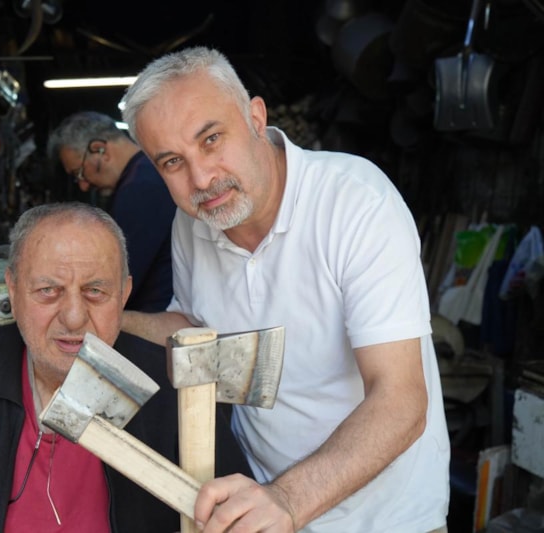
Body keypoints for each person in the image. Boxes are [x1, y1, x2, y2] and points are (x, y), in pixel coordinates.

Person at [119, 46, 450, 533]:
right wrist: (108, 322)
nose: (201, 178)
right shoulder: (193, 223)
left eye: (211, 139)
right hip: (266, 508)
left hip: (384, 520)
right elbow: (196, 333)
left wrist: (289, 500)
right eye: (172, 162)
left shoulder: (355, 202)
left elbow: (400, 401)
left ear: (256, 117)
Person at [0, 202, 251, 533]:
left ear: (124, 294)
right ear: (13, 290)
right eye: (48, 291)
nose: (73, 317)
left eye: (95, 291)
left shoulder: (174, 391)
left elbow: (237, 514)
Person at [47, 111, 176, 312]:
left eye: (80, 173)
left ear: (100, 150)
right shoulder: (149, 172)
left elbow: (120, 277)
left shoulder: (140, 188)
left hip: (157, 315)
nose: (83, 186)